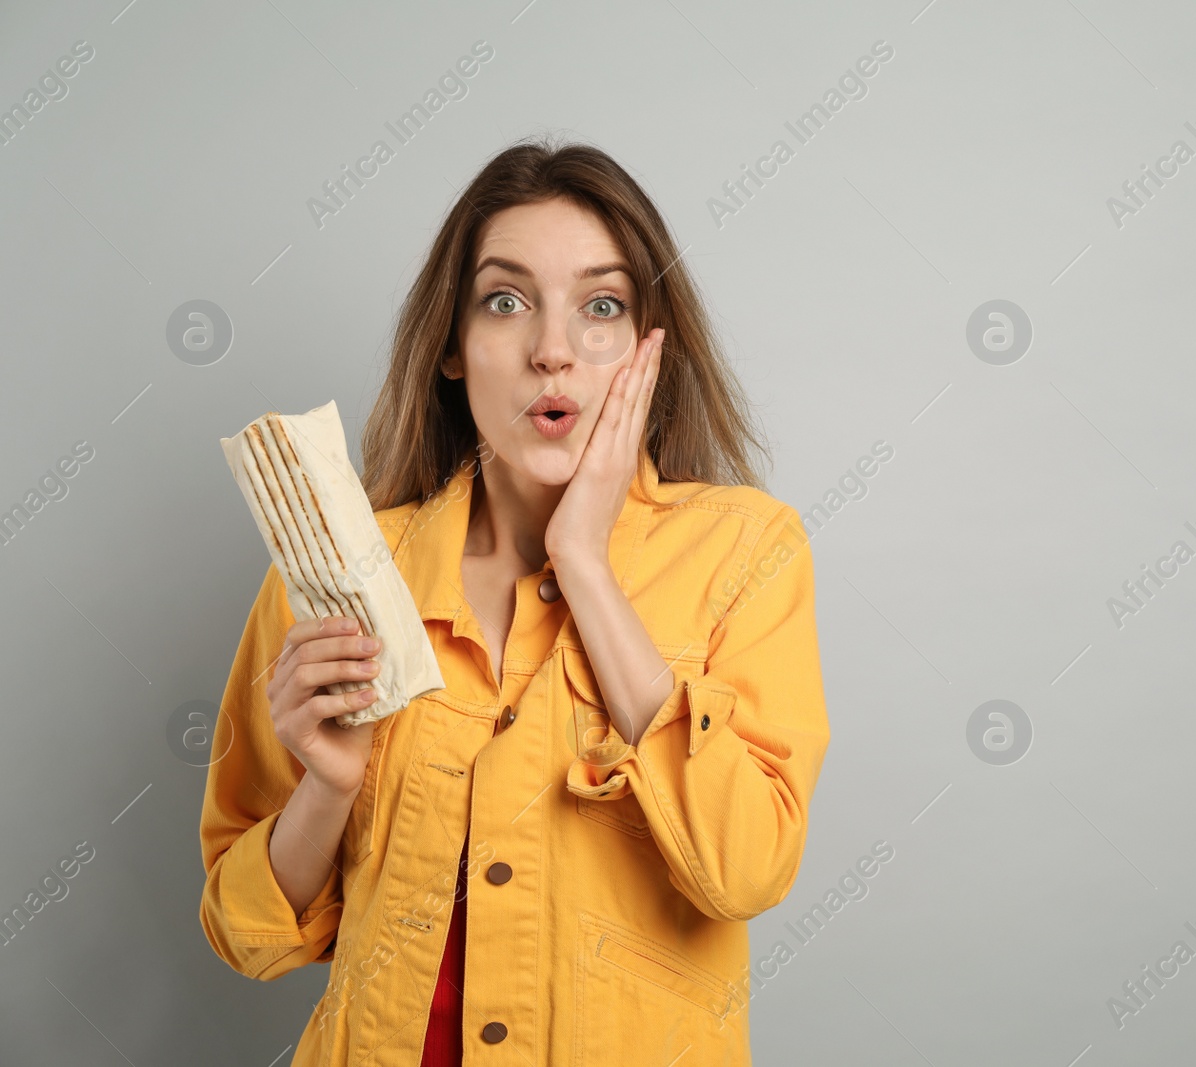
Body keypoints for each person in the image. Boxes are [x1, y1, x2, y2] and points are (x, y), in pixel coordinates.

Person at [198, 139, 829, 1066]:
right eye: (505, 300)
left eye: (601, 307)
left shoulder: (746, 553)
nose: (552, 352)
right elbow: (247, 935)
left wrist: (585, 562)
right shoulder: (337, 575)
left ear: (650, 350)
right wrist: (328, 789)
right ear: (452, 346)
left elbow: (743, 869)